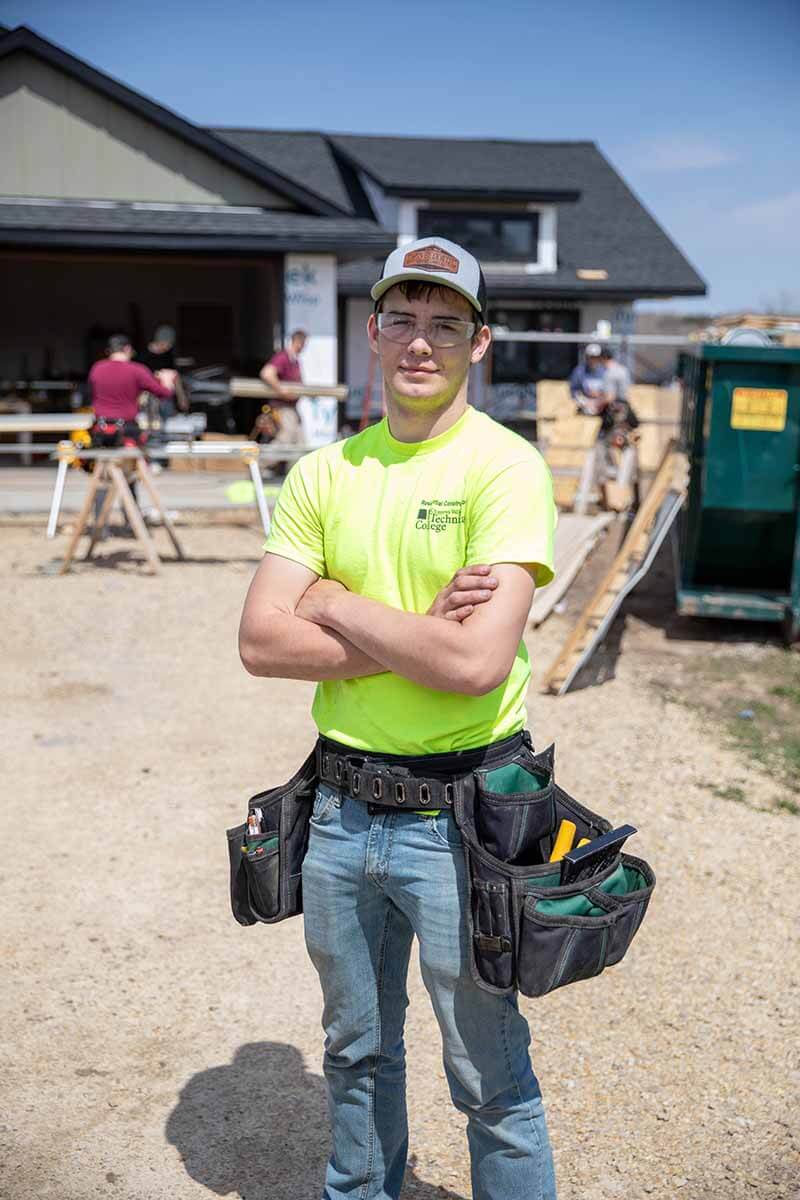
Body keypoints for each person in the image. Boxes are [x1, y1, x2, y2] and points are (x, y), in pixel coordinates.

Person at [238, 236, 558, 1200]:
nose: (422, 342)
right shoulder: (323, 474)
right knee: (355, 1054)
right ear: (373, 332)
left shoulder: (506, 469)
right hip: (337, 811)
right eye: (404, 321)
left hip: (465, 819)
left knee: (488, 1078)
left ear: (481, 341)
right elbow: (258, 642)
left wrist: (334, 603)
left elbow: (471, 663)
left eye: (446, 324)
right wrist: (416, 629)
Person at [259, 329, 308, 461]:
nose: (304, 347)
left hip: (291, 407)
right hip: (282, 407)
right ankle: (259, 464)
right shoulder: (283, 357)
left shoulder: (295, 361)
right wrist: (281, 390)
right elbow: (266, 373)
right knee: (286, 436)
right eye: (303, 344)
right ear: (298, 342)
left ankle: (295, 472)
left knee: (300, 441)